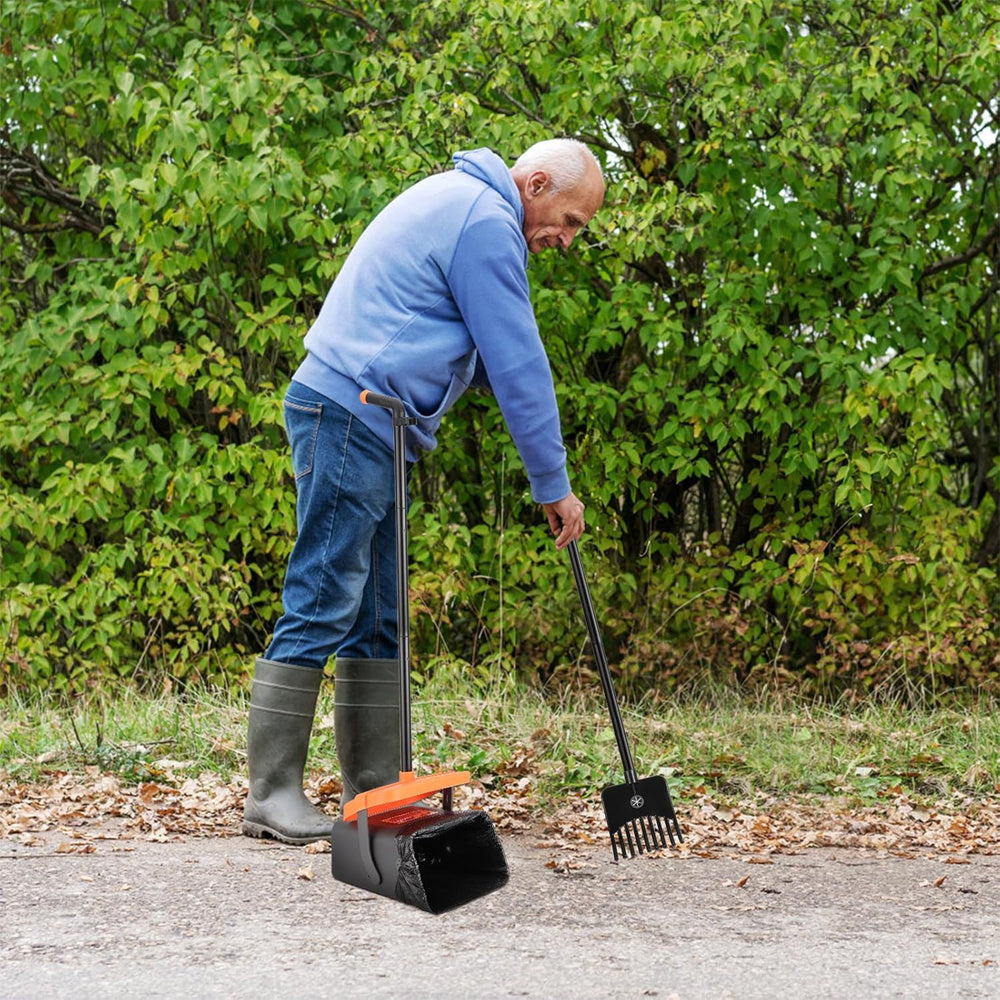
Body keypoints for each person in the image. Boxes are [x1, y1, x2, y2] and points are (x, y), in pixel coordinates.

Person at [242, 139, 605, 844]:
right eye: (570, 220)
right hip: (351, 408)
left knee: (377, 613)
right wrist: (553, 485)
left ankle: (375, 790)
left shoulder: (470, 208)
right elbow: (518, 362)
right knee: (324, 594)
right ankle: (272, 793)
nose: (565, 240)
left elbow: (486, 357)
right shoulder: (485, 221)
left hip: (373, 419)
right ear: (533, 183)